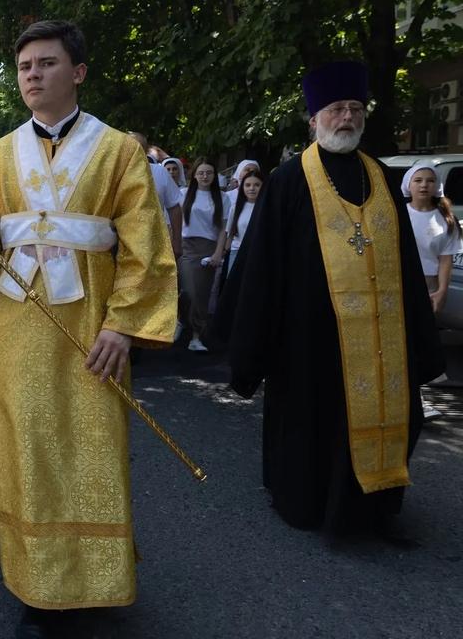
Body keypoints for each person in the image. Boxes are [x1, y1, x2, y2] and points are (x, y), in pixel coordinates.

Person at [0, 21, 176, 637]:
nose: (33, 75)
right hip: (18, 331)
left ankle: (97, 585)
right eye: (24, 67)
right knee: (27, 452)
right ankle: (37, 588)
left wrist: (123, 325)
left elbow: (146, 248)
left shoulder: (118, 151)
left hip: (92, 328)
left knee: (93, 448)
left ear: (78, 72)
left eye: (46, 63)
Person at [222, 60, 444, 535]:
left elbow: (406, 262)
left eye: (355, 108)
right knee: (313, 425)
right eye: (337, 109)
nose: (347, 117)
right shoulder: (289, 179)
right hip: (309, 340)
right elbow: (262, 267)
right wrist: (251, 345)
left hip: (382, 339)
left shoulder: (381, 178)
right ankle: (308, 505)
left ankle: (374, 508)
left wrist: (421, 338)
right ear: (314, 119)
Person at [401, 162, 461, 422]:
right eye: (418, 180)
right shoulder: (399, 214)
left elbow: (446, 259)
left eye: (429, 180)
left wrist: (442, 291)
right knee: (403, 342)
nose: (424, 185)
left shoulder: (445, 218)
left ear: (437, 185)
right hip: (402, 286)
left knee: (422, 343)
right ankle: (408, 400)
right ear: (409, 185)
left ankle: (419, 399)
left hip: (430, 287)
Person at [178, 158, 229, 352]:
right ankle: (182, 320)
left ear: (214, 175)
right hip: (187, 246)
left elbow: (223, 229)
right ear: (194, 175)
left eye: (209, 173)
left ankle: (196, 335)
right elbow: (174, 220)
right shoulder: (184, 194)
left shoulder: (222, 198)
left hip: (209, 247)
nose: (205, 176)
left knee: (202, 294)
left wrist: (218, 252)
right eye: (201, 173)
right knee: (187, 291)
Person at [130, 132, 182, 258]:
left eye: (139, 147)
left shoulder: (160, 172)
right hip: (123, 241)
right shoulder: (115, 173)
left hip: (155, 242)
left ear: (146, 151)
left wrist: (177, 241)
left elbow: (174, 209)